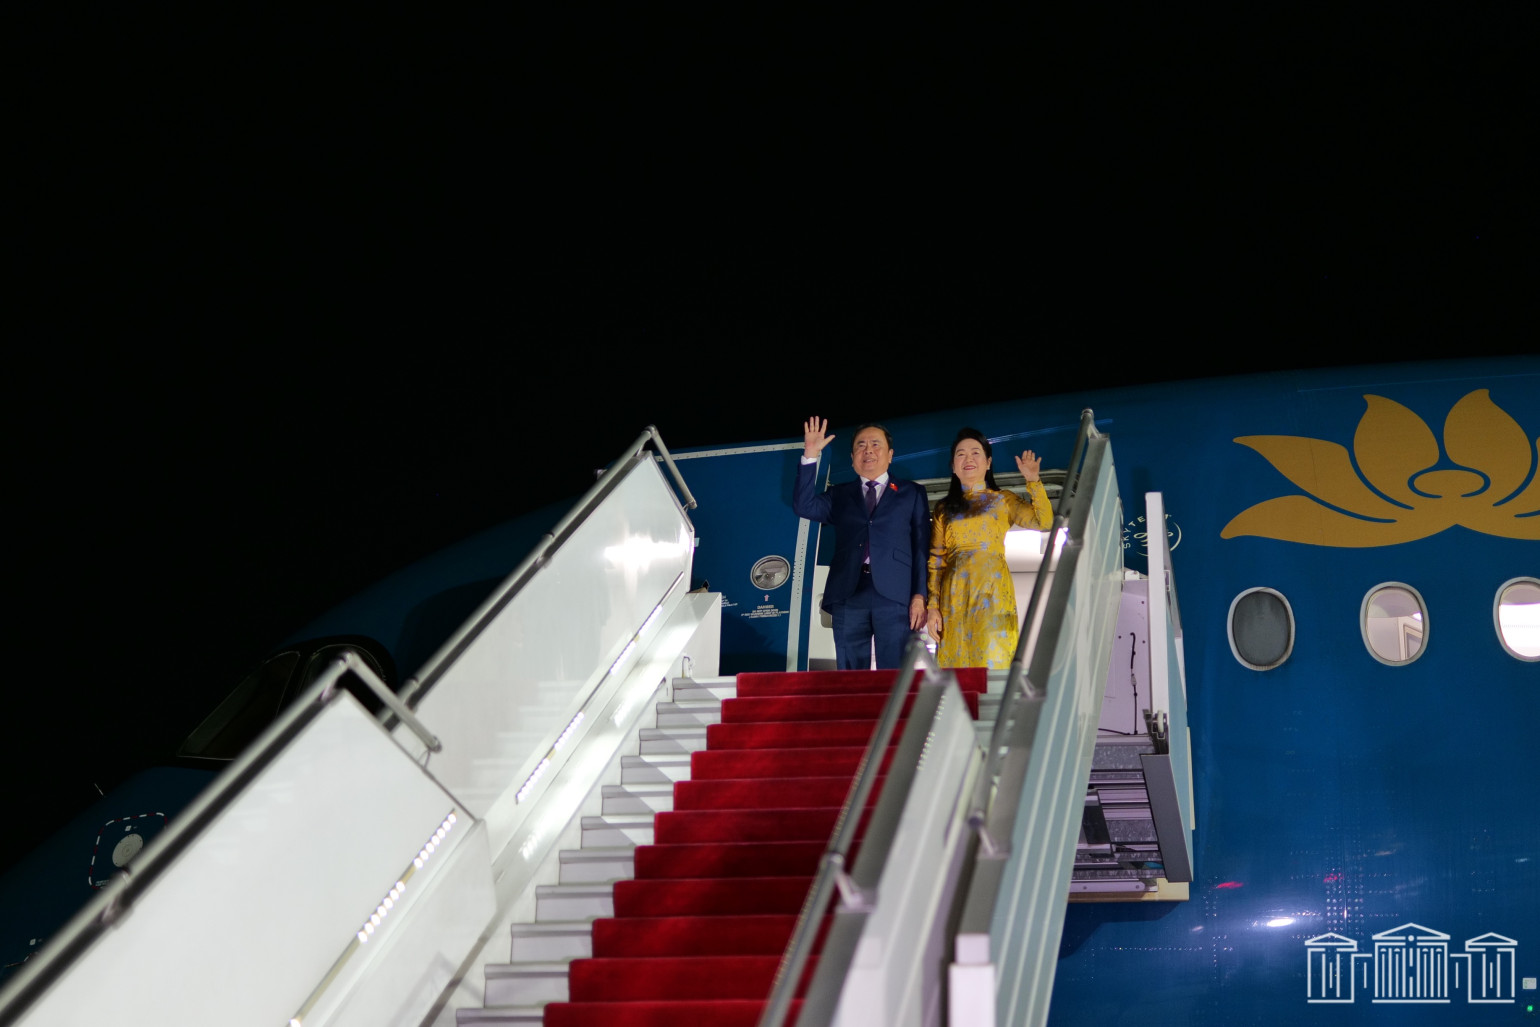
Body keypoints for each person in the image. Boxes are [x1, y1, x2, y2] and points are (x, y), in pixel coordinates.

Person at [793, 417, 930, 669]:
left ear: (890, 454)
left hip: (896, 595)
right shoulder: (839, 494)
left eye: (876, 444)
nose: (868, 450)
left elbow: (921, 548)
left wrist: (920, 595)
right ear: (852, 457)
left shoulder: (912, 493)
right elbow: (804, 506)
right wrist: (810, 455)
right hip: (848, 592)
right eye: (861, 445)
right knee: (851, 675)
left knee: (895, 674)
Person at [926, 427, 1053, 669]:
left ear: (988, 462)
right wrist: (933, 606)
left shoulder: (1003, 499)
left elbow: (1044, 522)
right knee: (956, 665)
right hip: (954, 596)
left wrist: (1033, 481)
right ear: (953, 466)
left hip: (993, 592)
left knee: (993, 660)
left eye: (976, 452)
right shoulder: (943, 508)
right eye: (961, 454)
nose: (968, 459)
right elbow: (936, 560)